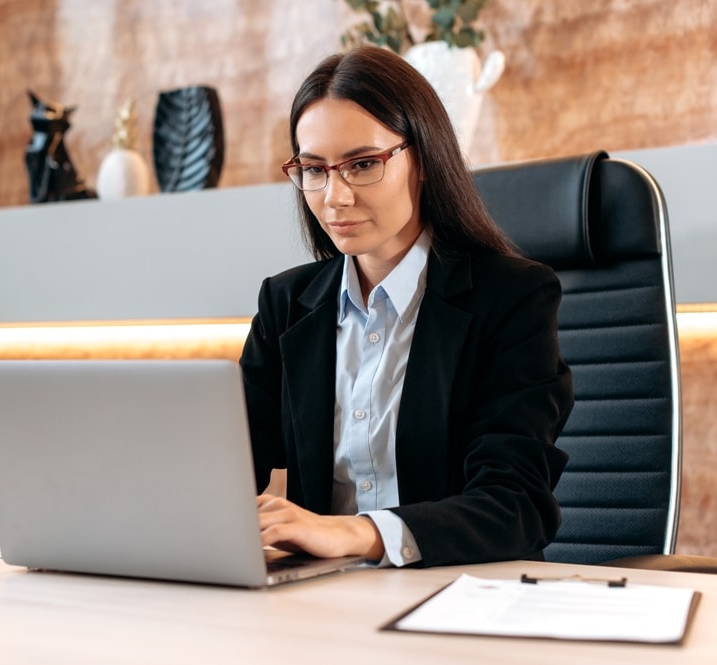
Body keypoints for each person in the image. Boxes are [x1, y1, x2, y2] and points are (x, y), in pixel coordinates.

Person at [239, 46, 574, 569]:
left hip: (459, 597)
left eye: (363, 164)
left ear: (422, 159)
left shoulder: (512, 298)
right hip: (320, 604)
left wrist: (359, 533)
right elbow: (224, 469)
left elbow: (516, 505)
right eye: (314, 169)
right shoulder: (286, 306)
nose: (335, 196)